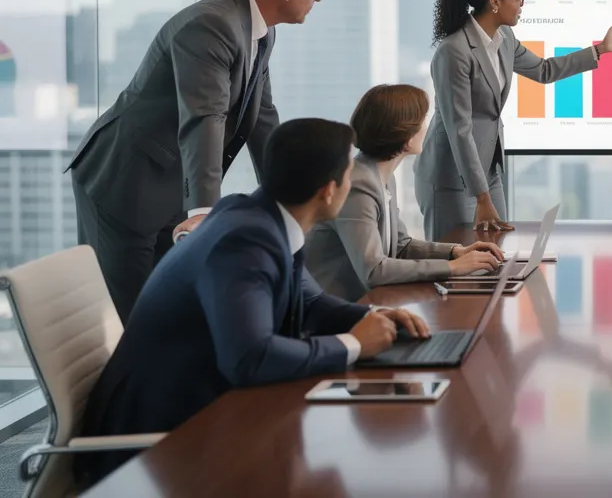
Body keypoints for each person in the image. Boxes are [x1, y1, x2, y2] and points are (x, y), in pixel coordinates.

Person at [76, 119, 430, 487]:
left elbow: (308, 301)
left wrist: (376, 316)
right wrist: (355, 344)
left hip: (205, 406)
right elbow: (250, 359)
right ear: (328, 191)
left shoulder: (260, 216)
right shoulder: (245, 242)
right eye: (349, 171)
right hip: (157, 439)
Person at [67, 0, 325, 322]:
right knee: (132, 315)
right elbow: (204, 117)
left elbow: (263, 117)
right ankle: (128, 385)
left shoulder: (261, 30)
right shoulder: (212, 24)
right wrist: (204, 209)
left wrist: (290, 189)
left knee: (174, 306)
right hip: (124, 183)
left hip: (168, 183)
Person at [415, 0, 612, 238]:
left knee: (495, 252)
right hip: (450, 178)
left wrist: (601, 50)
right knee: (455, 262)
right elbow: (460, 130)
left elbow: (544, 70)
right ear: (495, 2)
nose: (523, 3)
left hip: (487, 170)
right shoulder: (455, 51)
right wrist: (482, 198)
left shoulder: (504, 37)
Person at [306, 84, 506, 300]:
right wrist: (453, 268)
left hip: (369, 303)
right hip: (336, 312)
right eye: (422, 122)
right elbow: (374, 271)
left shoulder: (381, 176)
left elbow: (401, 246)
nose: (425, 128)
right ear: (407, 136)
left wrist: (454, 252)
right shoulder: (357, 186)